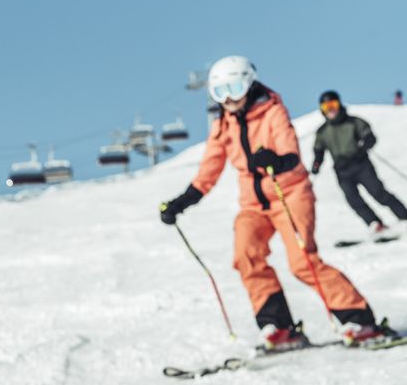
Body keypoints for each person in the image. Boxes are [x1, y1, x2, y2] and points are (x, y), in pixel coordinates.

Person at [159, 55, 388, 350]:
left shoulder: (272, 110)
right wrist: (181, 202)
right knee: (246, 255)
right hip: (253, 205)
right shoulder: (223, 125)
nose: (229, 98)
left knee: (302, 261)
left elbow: (290, 153)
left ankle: (358, 318)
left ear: (250, 84)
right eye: (221, 92)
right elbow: (209, 170)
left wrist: (275, 160)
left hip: (289, 193)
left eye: (236, 88)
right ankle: (278, 325)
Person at [312, 89, 407, 233]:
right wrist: (317, 163)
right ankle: (375, 223)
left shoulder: (354, 122)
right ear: (322, 110)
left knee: (378, 193)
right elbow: (319, 149)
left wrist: (366, 142)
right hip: (342, 170)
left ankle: (404, 215)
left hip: (360, 164)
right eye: (326, 107)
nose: (331, 109)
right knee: (353, 200)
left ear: (339, 105)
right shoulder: (323, 131)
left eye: (333, 105)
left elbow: (369, 135)